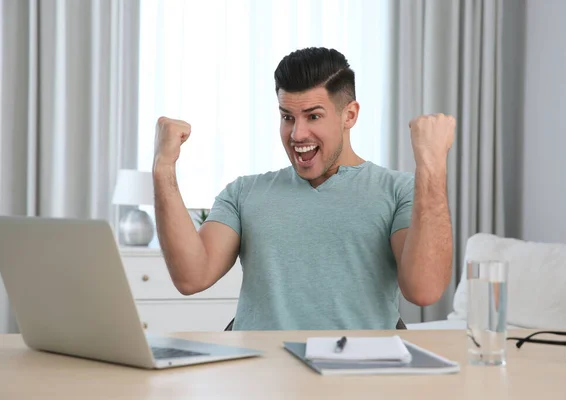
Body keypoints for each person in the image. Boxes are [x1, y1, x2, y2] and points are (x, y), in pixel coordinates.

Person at [152, 47, 455, 331]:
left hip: (357, 376)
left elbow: (424, 289)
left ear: (349, 115)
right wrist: (164, 167)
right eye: (287, 117)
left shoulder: (398, 191)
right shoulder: (244, 193)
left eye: (313, 116)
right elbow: (191, 277)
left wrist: (431, 165)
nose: (297, 134)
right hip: (259, 374)